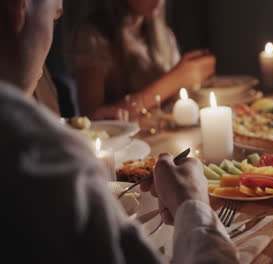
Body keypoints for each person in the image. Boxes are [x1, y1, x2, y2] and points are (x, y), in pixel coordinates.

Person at [0, 0, 238, 263]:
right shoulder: (41, 164)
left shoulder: (162, 35)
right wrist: (193, 206)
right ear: (17, 8)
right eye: (55, 15)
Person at [67, 0, 215, 120]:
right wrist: (176, 79)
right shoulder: (93, 36)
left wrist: (191, 75)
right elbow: (91, 118)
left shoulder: (165, 36)